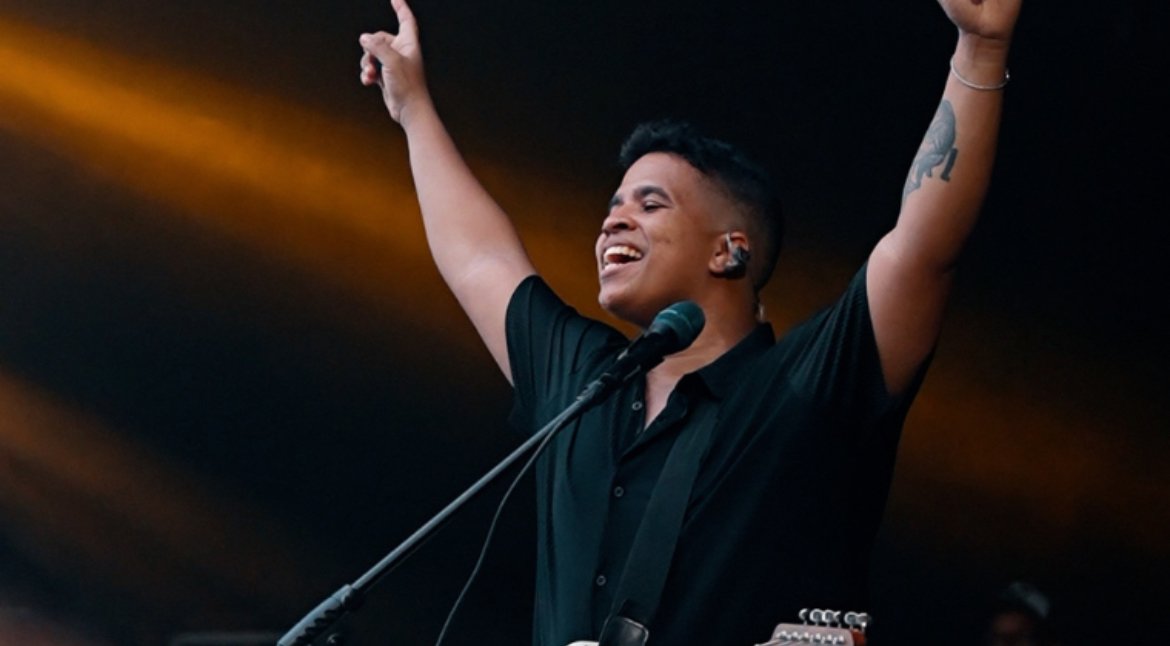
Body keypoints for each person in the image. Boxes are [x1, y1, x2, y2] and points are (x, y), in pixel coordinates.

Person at [358, 0, 1020, 644]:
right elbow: (480, 259)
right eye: (614, 205)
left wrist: (980, 49)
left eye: (651, 205)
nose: (613, 221)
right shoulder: (584, 381)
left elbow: (921, 250)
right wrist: (413, 109)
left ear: (729, 251)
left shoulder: (802, 388)